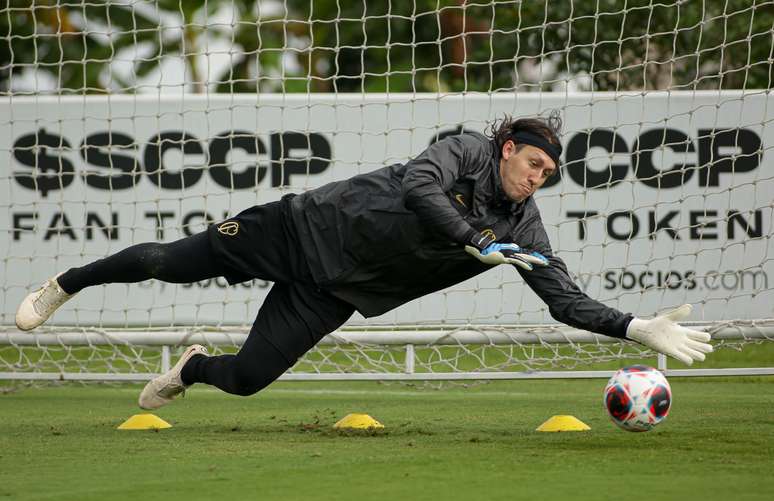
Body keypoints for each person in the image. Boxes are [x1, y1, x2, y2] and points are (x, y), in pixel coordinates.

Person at [15, 112, 713, 409]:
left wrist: (632, 327)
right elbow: (418, 188)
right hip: (299, 228)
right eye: (533, 164)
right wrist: (473, 238)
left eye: (547, 174)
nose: (538, 178)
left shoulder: (524, 225)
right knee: (170, 259)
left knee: (250, 378)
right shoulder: (465, 149)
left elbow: (561, 298)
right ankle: (67, 283)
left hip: (338, 288)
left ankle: (190, 366)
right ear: (507, 151)